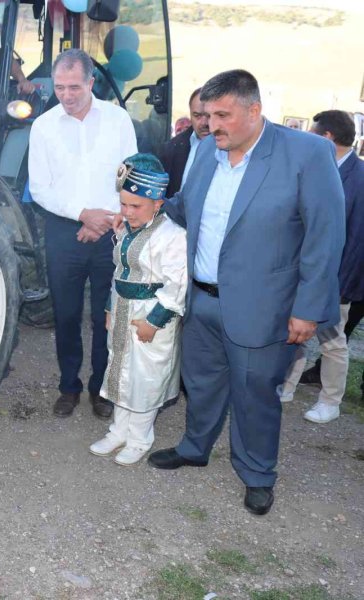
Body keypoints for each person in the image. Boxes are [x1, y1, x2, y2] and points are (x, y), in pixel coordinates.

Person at [146, 70, 345, 516]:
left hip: (265, 308)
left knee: (255, 393)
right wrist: (143, 205)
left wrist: (308, 309)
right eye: (207, 115)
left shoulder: (307, 153)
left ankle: (257, 473)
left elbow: (324, 236)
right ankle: (195, 447)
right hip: (202, 300)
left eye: (223, 115)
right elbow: (184, 209)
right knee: (201, 383)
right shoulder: (206, 151)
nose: (211, 124)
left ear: (254, 111)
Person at [28, 48, 137, 419]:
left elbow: (129, 176)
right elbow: (40, 188)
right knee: (67, 313)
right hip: (64, 232)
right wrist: (81, 215)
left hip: (111, 230)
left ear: (91, 82)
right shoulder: (43, 126)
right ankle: (69, 386)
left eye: (74, 87)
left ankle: (101, 389)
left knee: (106, 315)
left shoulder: (119, 120)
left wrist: (102, 220)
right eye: (59, 87)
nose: (67, 96)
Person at [90, 153, 187, 465]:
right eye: (123, 204)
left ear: (157, 202)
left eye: (136, 207)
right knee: (119, 371)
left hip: (149, 316)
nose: (127, 212)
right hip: (122, 310)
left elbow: (177, 285)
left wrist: (155, 322)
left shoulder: (172, 236)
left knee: (145, 377)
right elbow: (119, 271)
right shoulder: (125, 230)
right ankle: (119, 430)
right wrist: (109, 307)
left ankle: (140, 438)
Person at [279, 110, 363, 422]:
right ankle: (286, 387)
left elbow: (356, 239)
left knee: (332, 342)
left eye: (312, 133)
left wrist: (339, 286)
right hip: (302, 273)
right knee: (295, 333)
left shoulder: (359, 178)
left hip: (337, 280)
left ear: (326, 138)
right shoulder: (314, 169)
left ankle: (330, 401)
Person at [159, 88, 209, 197]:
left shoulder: (234, 148)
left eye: (208, 115)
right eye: (197, 116)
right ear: (190, 115)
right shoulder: (171, 149)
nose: (204, 123)